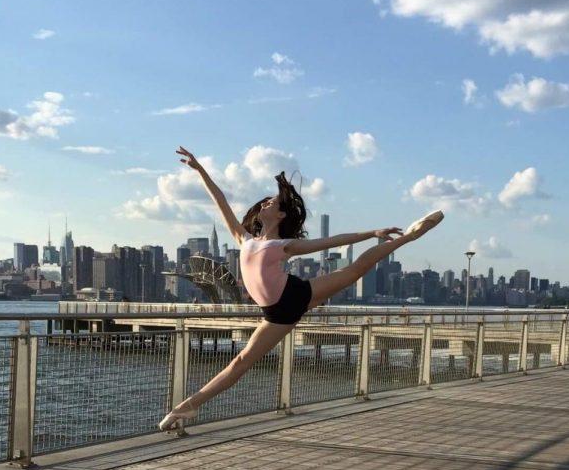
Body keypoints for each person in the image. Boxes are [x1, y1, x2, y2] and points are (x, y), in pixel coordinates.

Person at [158, 146, 444, 431]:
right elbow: (220, 200)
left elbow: (332, 241)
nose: (263, 205)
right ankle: (188, 408)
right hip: (275, 312)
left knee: (354, 270)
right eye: (264, 203)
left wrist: (373, 233)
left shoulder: (283, 245)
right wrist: (200, 170)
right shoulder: (244, 238)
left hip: (293, 296)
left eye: (270, 203)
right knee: (241, 362)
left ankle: (411, 235)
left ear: (281, 216)